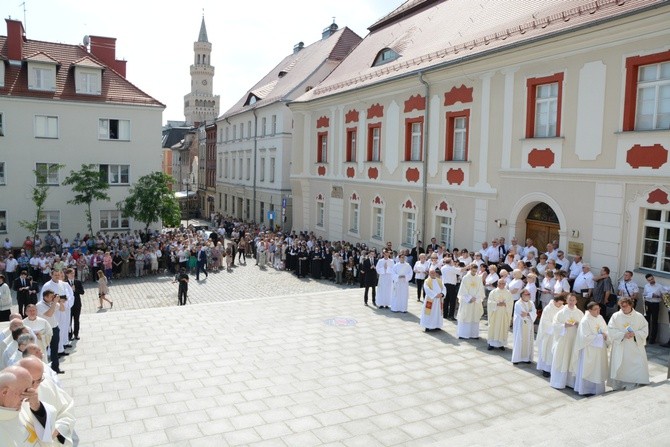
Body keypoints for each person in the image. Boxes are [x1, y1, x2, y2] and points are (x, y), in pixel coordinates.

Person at [18, 356, 76, 446]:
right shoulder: (8, 397)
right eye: (30, 381)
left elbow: (67, 409)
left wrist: (59, 428)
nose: (34, 386)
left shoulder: (46, 384)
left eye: (38, 380)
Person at [0, 365, 57, 446]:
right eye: (24, 391)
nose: (27, 395)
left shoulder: (18, 404)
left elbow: (49, 422)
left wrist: (37, 407)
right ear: (4, 392)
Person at [607, 296, 650, 390]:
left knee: (637, 364)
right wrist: (623, 335)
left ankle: (636, 381)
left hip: (635, 345)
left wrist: (635, 334)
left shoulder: (639, 316)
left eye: (625, 306)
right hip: (621, 346)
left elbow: (645, 329)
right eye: (621, 306)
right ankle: (621, 384)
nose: (623, 308)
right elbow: (610, 329)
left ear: (631, 305)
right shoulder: (616, 316)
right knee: (621, 365)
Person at [574, 302, 610, 396]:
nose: (598, 311)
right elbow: (585, 336)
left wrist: (606, 334)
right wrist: (600, 336)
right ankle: (586, 390)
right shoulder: (585, 321)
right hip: (589, 349)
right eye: (595, 309)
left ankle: (598, 389)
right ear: (589, 310)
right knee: (588, 369)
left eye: (599, 309)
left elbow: (605, 329)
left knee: (598, 368)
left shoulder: (600, 317)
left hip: (600, 349)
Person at [550, 294, 584, 389]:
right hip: (564, 340)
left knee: (572, 358)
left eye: (573, 300)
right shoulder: (561, 313)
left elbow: (585, 326)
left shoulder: (580, 313)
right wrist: (564, 325)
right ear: (566, 301)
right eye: (570, 300)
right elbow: (555, 325)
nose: (571, 302)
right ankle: (559, 382)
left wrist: (579, 324)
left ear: (576, 301)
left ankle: (570, 382)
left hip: (574, 340)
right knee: (563, 359)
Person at [536, 295, 565, 377]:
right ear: (555, 301)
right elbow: (545, 322)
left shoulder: (563, 308)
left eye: (562, 304)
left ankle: (553, 369)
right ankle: (545, 369)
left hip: (558, 334)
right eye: (559, 303)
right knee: (547, 351)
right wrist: (556, 326)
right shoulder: (548, 309)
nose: (560, 305)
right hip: (548, 334)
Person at [36, 289, 64, 374]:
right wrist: (55, 302)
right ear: (45, 297)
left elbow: (62, 309)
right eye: (51, 297)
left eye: (53, 296)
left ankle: (55, 368)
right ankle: (43, 370)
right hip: (44, 330)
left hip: (54, 328)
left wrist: (60, 301)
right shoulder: (39, 305)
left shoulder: (52, 303)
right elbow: (49, 314)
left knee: (54, 349)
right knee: (43, 350)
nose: (53, 298)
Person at [456, 264, 485, 339]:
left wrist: (476, 298)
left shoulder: (478, 278)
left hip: (475, 301)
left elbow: (480, 289)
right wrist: (469, 298)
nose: (474, 272)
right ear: (470, 269)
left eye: (475, 271)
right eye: (473, 271)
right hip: (467, 301)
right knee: (466, 316)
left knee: (474, 316)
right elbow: (463, 289)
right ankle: (463, 334)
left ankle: (474, 334)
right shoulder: (465, 278)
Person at [511, 290, 537, 364]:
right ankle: (516, 359)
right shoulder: (518, 303)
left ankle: (526, 359)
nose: (529, 295)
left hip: (529, 325)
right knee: (519, 340)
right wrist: (529, 314)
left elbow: (534, 312)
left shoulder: (531, 303)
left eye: (529, 294)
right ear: (522, 295)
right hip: (520, 324)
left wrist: (528, 314)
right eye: (527, 294)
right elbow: (522, 314)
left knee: (528, 340)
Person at [487, 279, 513, 351]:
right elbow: (489, 302)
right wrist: (497, 304)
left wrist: (505, 304)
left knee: (502, 327)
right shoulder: (493, 292)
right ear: (497, 284)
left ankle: (501, 344)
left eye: (503, 283)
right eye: (500, 283)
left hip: (504, 314)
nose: (501, 284)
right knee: (493, 327)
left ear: (505, 284)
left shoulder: (508, 293)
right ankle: (491, 343)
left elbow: (511, 302)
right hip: (495, 313)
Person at [642, 273, 663, 344]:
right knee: (646, 320)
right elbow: (644, 295)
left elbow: (663, 296)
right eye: (649, 280)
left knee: (654, 321)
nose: (651, 281)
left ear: (654, 278)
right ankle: (646, 336)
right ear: (647, 280)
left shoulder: (659, 286)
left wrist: (657, 296)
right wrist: (649, 295)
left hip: (655, 304)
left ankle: (652, 339)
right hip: (647, 303)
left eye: (652, 279)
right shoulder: (646, 286)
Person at [65, 268, 84, 341]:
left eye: (73, 273)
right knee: (68, 320)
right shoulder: (65, 283)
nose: (72, 275)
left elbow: (82, 292)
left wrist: (75, 290)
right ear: (67, 275)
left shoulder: (77, 282)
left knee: (76, 319)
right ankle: (70, 334)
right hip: (69, 305)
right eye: (70, 273)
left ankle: (76, 334)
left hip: (77, 304)